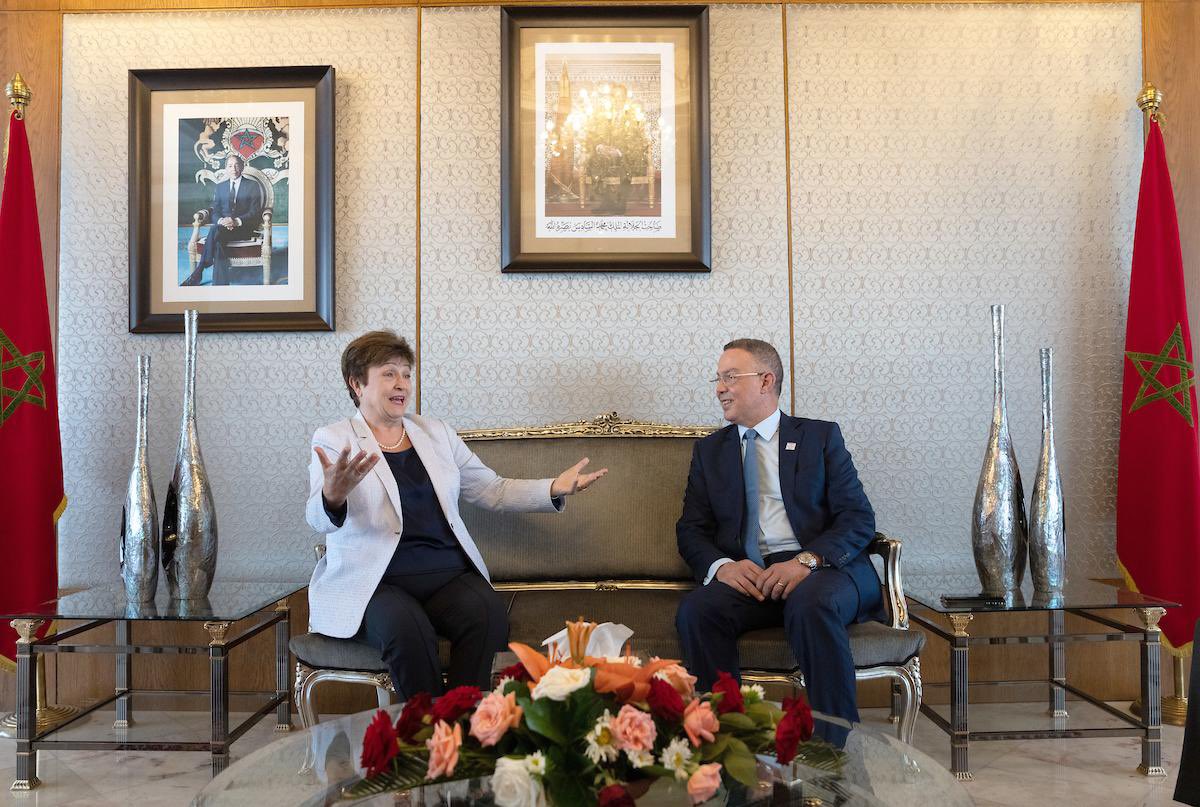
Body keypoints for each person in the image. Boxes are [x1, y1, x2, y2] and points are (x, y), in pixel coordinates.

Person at [305, 330, 607, 697]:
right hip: (375, 582)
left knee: (488, 615)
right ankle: (429, 728)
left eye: (406, 374)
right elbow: (316, 518)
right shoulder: (335, 439)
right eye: (389, 374)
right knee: (407, 629)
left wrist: (554, 487)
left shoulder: (435, 433)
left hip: (445, 574)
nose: (402, 384)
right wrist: (333, 495)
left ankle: (468, 720)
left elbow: (492, 489)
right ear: (357, 383)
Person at [675, 338, 882, 739]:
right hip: (754, 574)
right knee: (697, 611)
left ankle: (835, 753)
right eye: (717, 379)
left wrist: (806, 561)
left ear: (766, 381)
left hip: (821, 569)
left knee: (810, 603)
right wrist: (722, 566)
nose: (719, 388)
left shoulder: (820, 437)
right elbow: (691, 529)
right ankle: (728, 745)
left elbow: (858, 518)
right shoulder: (710, 451)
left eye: (730, 377)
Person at [182, 153, 265, 286]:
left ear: (242, 167)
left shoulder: (252, 185)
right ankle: (220, 284)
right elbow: (215, 210)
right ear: (226, 168)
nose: (233, 169)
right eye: (230, 166)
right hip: (222, 227)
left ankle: (199, 271)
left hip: (243, 228)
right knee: (218, 242)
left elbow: (255, 212)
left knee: (215, 230)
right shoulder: (221, 186)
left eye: (236, 165)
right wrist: (221, 221)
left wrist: (236, 221)